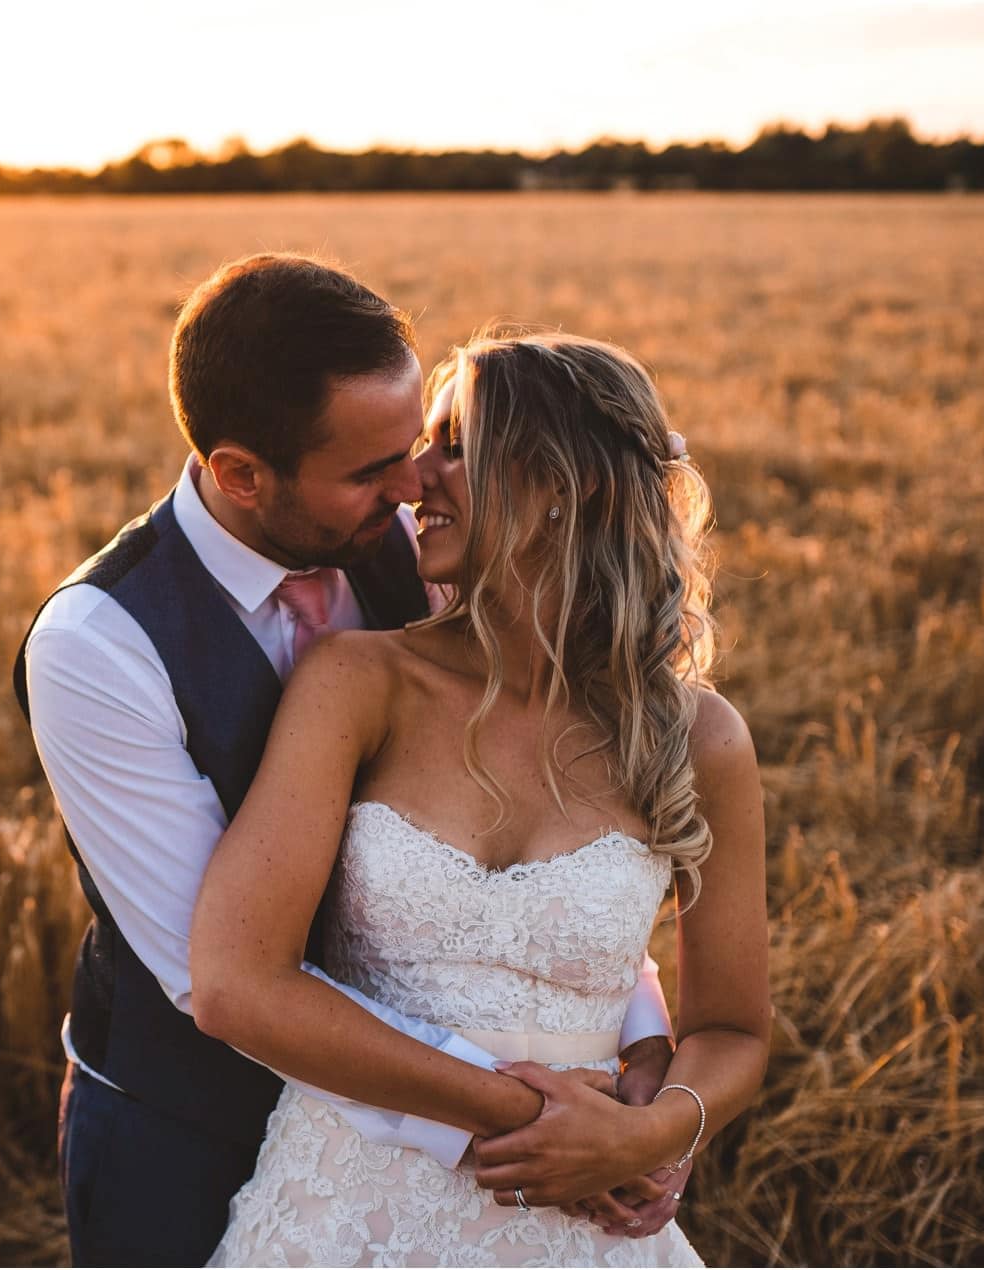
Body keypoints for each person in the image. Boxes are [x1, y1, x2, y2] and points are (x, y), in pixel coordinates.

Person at [12, 256, 690, 1268]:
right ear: (241, 473)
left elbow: (531, 818)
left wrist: (634, 1063)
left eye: (415, 447)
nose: (416, 486)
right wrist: (530, 1113)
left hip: (484, 1129)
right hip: (187, 1126)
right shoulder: (98, 644)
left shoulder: (419, 551)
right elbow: (223, 981)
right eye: (372, 471)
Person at [192, 327, 771, 1266]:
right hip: (340, 1216)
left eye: (457, 445)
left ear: (564, 485)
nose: (418, 477)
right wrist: (548, 1119)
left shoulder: (699, 740)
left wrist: (654, 1133)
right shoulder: (357, 683)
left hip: (582, 1223)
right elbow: (238, 983)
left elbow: (734, 1028)